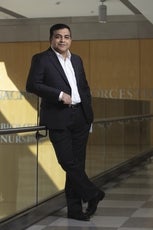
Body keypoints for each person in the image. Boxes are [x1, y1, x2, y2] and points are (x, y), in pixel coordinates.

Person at [26, 23, 105, 221]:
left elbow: (84, 88)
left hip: (81, 117)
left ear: (71, 39)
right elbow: (32, 85)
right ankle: (92, 193)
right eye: (58, 36)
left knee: (76, 165)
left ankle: (76, 211)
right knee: (67, 161)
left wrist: (89, 115)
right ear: (51, 39)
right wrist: (59, 94)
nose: (62, 40)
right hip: (58, 116)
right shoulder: (42, 59)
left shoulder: (76, 60)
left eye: (66, 36)